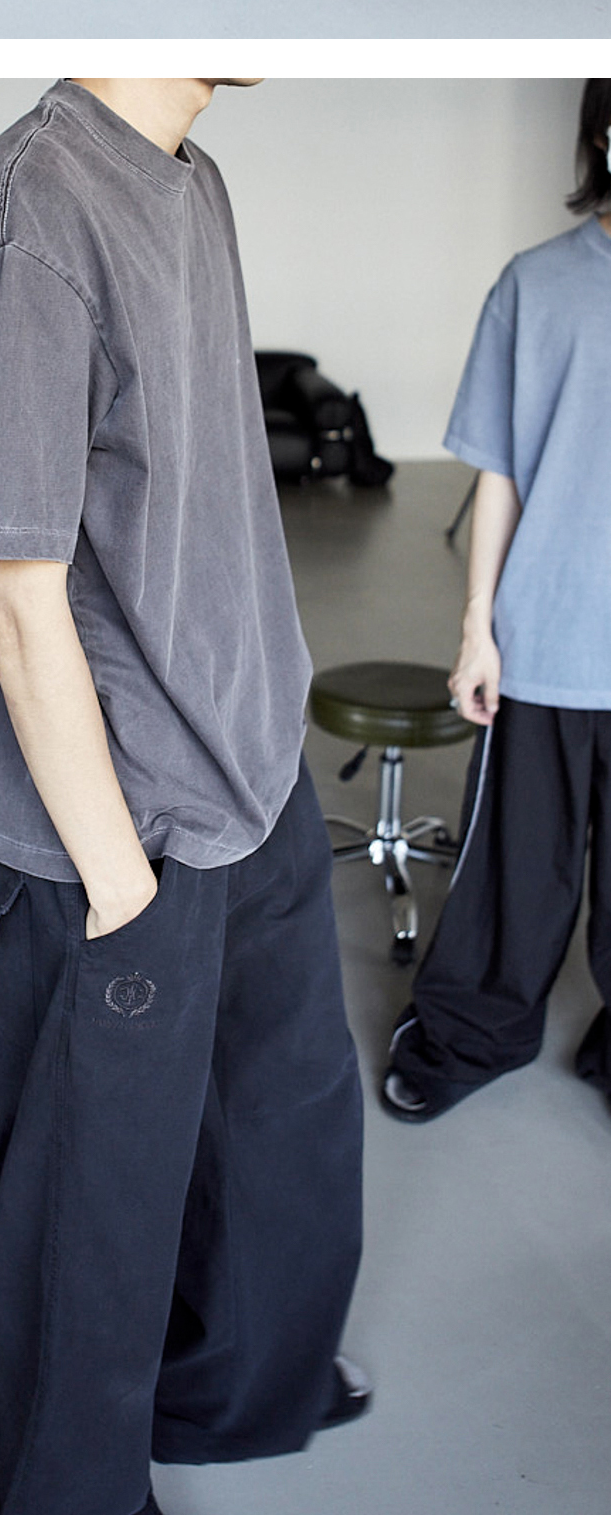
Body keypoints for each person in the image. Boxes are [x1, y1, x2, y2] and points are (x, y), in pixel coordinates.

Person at [0, 77, 367, 1515]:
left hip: (250, 768)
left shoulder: (190, 176)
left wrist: (265, 723)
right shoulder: (27, 218)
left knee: (285, 1119)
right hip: (120, 828)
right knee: (93, 1207)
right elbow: (15, 591)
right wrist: (118, 882)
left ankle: (239, 1387)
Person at [383, 79, 611, 1123]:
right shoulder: (535, 284)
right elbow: (499, 473)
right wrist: (476, 629)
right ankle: (470, 1035)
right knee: (516, 876)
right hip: (547, 641)